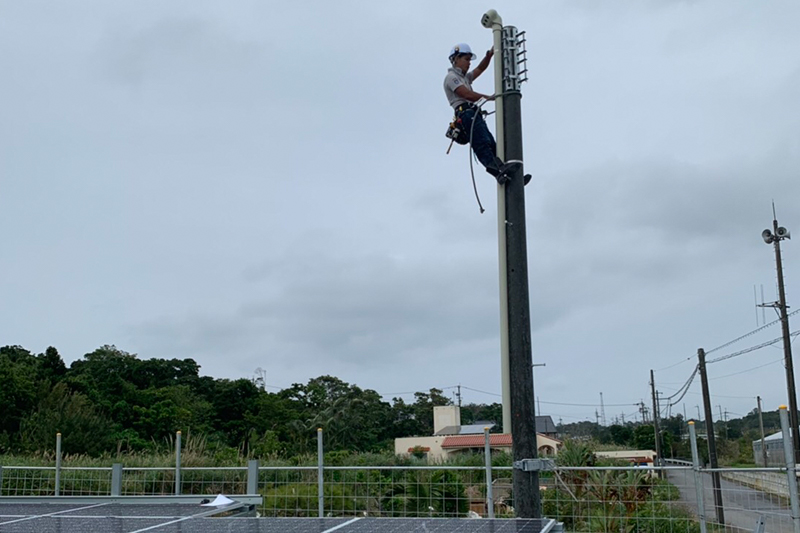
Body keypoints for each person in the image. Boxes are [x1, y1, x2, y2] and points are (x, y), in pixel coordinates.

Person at [443, 43, 529, 185]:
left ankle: (508, 175)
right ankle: (498, 170)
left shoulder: (465, 78)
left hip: (473, 113)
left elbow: (480, 68)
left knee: (492, 143)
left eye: (470, 60)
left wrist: (488, 55)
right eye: (466, 59)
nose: (469, 63)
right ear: (456, 59)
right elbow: (466, 94)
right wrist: (491, 98)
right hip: (465, 114)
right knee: (482, 143)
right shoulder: (452, 77)